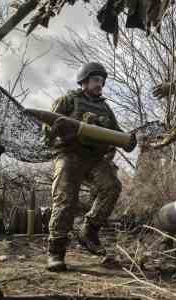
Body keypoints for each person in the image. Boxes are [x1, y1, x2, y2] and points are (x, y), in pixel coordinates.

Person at [45, 62, 123, 272]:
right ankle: (56, 251)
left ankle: (89, 229)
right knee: (65, 199)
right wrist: (57, 129)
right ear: (84, 81)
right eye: (96, 80)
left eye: (102, 81)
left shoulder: (105, 108)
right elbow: (46, 132)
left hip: (95, 158)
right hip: (69, 155)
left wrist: (128, 139)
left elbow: (117, 133)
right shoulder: (67, 100)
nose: (100, 85)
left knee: (112, 186)